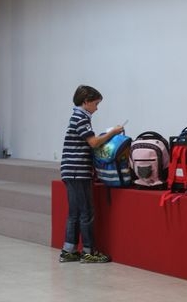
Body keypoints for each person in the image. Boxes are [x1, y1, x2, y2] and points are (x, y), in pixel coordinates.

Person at [59, 85, 124, 263]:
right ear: (86, 102)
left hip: (70, 171)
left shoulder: (76, 117)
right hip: (78, 171)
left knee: (74, 213)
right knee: (86, 212)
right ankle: (89, 252)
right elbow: (94, 142)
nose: (97, 108)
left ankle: (69, 250)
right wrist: (113, 132)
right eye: (96, 104)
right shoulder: (81, 118)